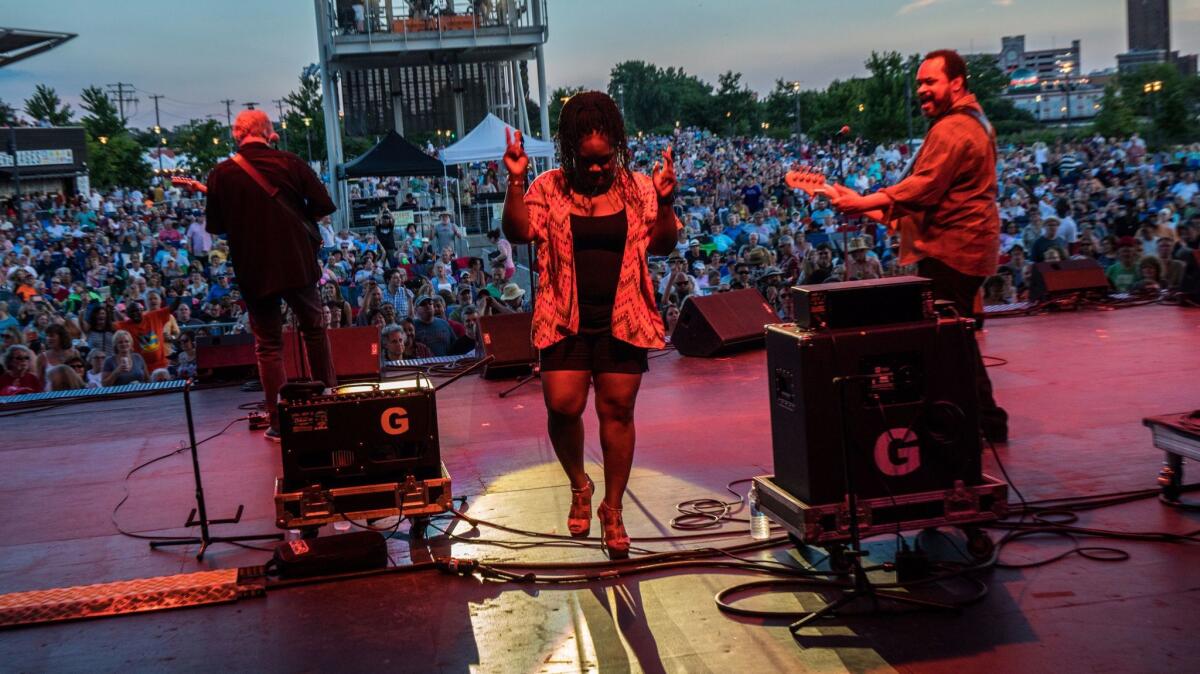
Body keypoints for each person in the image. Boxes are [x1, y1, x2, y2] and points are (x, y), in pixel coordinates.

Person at [501, 91, 680, 558]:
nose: (598, 169)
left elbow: (663, 246)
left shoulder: (639, 188)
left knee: (617, 412)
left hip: (624, 316)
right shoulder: (547, 187)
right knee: (563, 405)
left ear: (618, 148)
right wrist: (515, 182)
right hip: (564, 316)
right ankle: (580, 484)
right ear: (569, 153)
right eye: (588, 161)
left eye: (605, 160)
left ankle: (613, 509)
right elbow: (518, 232)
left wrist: (665, 203)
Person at [820, 49, 1008, 442]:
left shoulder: (953, 129)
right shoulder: (973, 121)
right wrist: (861, 203)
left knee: (948, 340)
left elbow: (923, 188)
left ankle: (979, 421)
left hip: (953, 249)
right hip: (964, 245)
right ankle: (984, 419)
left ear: (956, 82)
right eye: (919, 83)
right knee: (954, 337)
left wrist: (862, 202)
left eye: (930, 82)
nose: (922, 90)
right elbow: (925, 196)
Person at [205, 109, 338, 441]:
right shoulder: (290, 163)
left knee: (268, 345)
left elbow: (218, 226)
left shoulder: (221, 174)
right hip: (296, 260)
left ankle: (279, 421)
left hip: (254, 269)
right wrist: (293, 219)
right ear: (268, 133)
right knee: (314, 330)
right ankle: (330, 403)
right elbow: (323, 204)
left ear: (238, 134)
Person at [114, 300, 174, 373]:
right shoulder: (125, 325)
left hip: (162, 365)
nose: (135, 314)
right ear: (128, 315)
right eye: (132, 312)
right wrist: (111, 309)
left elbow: (172, 308)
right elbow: (110, 326)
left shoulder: (154, 316)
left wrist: (179, 295)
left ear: (142, 310)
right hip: (142, 369)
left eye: (137, 311)